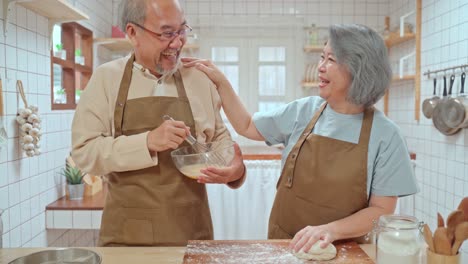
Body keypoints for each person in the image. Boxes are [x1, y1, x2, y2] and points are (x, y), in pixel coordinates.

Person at [182, 24, 418, 253]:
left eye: (331, 60)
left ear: (359, 70)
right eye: (322, 57)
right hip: (285, 243)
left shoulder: (386, 135)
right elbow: (247, 125)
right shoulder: (304, 111)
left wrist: (330, 230)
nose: (321, 67)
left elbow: (381, 210)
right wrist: (221, 82)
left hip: (346, 250)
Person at [71, 0, 246, 247]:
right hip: (126, 238)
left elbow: (218, 138)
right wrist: (147, 142)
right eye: (166, 33)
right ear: (132, 33)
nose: (177, 43)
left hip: (192, 234)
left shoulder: (198, 78)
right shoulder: (106, 79)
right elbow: (84, 153)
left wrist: (235, 170)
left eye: (182, 30)